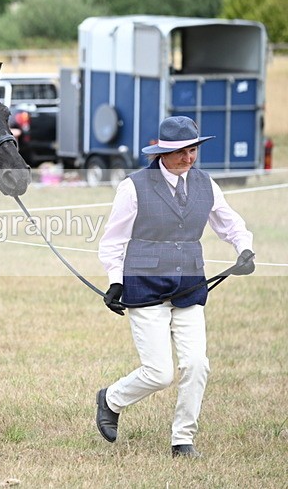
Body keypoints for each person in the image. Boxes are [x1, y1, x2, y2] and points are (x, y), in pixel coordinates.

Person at [95, 116, 256, 458]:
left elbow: (230, 224)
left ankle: (183, 439)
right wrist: (114, 281)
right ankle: (110, 399)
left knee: (197, 364)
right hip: (145, 287)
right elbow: (113, 241)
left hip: (190, 287)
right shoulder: (133, 186)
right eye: (181, 151)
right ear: (162, 152)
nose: (188, 158)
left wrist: (243, 249)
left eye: (193, 150)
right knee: (159, 373)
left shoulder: (206, 184)